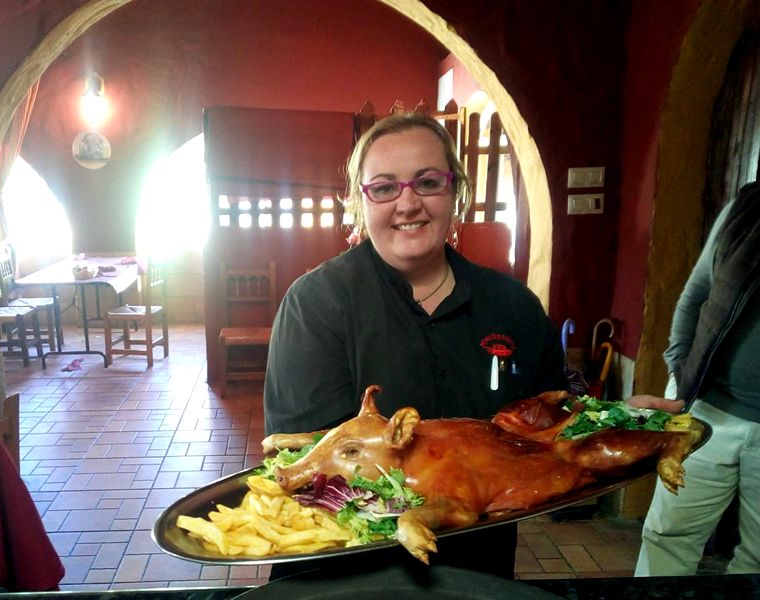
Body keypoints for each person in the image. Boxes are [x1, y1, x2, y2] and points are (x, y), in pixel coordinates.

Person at [263, 112, 569, 579]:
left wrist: (626, 422)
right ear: (359, 202)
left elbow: (550, 428)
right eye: (384, 188)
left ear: (455, 192)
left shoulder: (513, 306)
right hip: (346, 578)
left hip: (478, 570)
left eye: (427, 182)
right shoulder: (316, 303)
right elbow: (312, 472)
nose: (408, 203)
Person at [632, 181, 760, 576]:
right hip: (705, 409)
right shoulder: (747, 207)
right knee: (666, 538)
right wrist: (679, 371)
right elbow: (697, 292)